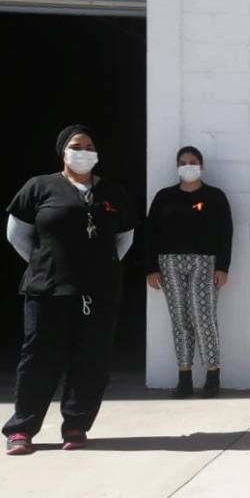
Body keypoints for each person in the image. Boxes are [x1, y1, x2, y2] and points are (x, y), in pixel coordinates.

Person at [4, 125, 137, 455]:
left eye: (89, 146)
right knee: (39, 358)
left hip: (98, 291)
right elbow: (17, 235)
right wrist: (45, 263)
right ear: (63, 151)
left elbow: (124, 238)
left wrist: (99, 267)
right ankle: (22, 429)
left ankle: (76, 425)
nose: (83, 152)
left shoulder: (113, 193)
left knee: (92, 359)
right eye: (77, 146)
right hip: (48, 289)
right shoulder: (39, 187)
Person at [146, 146, 233, 399]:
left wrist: (223, 267)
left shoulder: (215, 196)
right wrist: (151, 268)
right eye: (183, 162)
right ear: (177, 167)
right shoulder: (164, 197)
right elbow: (150, 233)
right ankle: (184, 377)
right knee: (180, 320)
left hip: (204, 263)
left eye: (193, 162)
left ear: (201, 166)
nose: (188, 166)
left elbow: (226, 233)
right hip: (170, 263)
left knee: (203, 317)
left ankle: (212, 375)